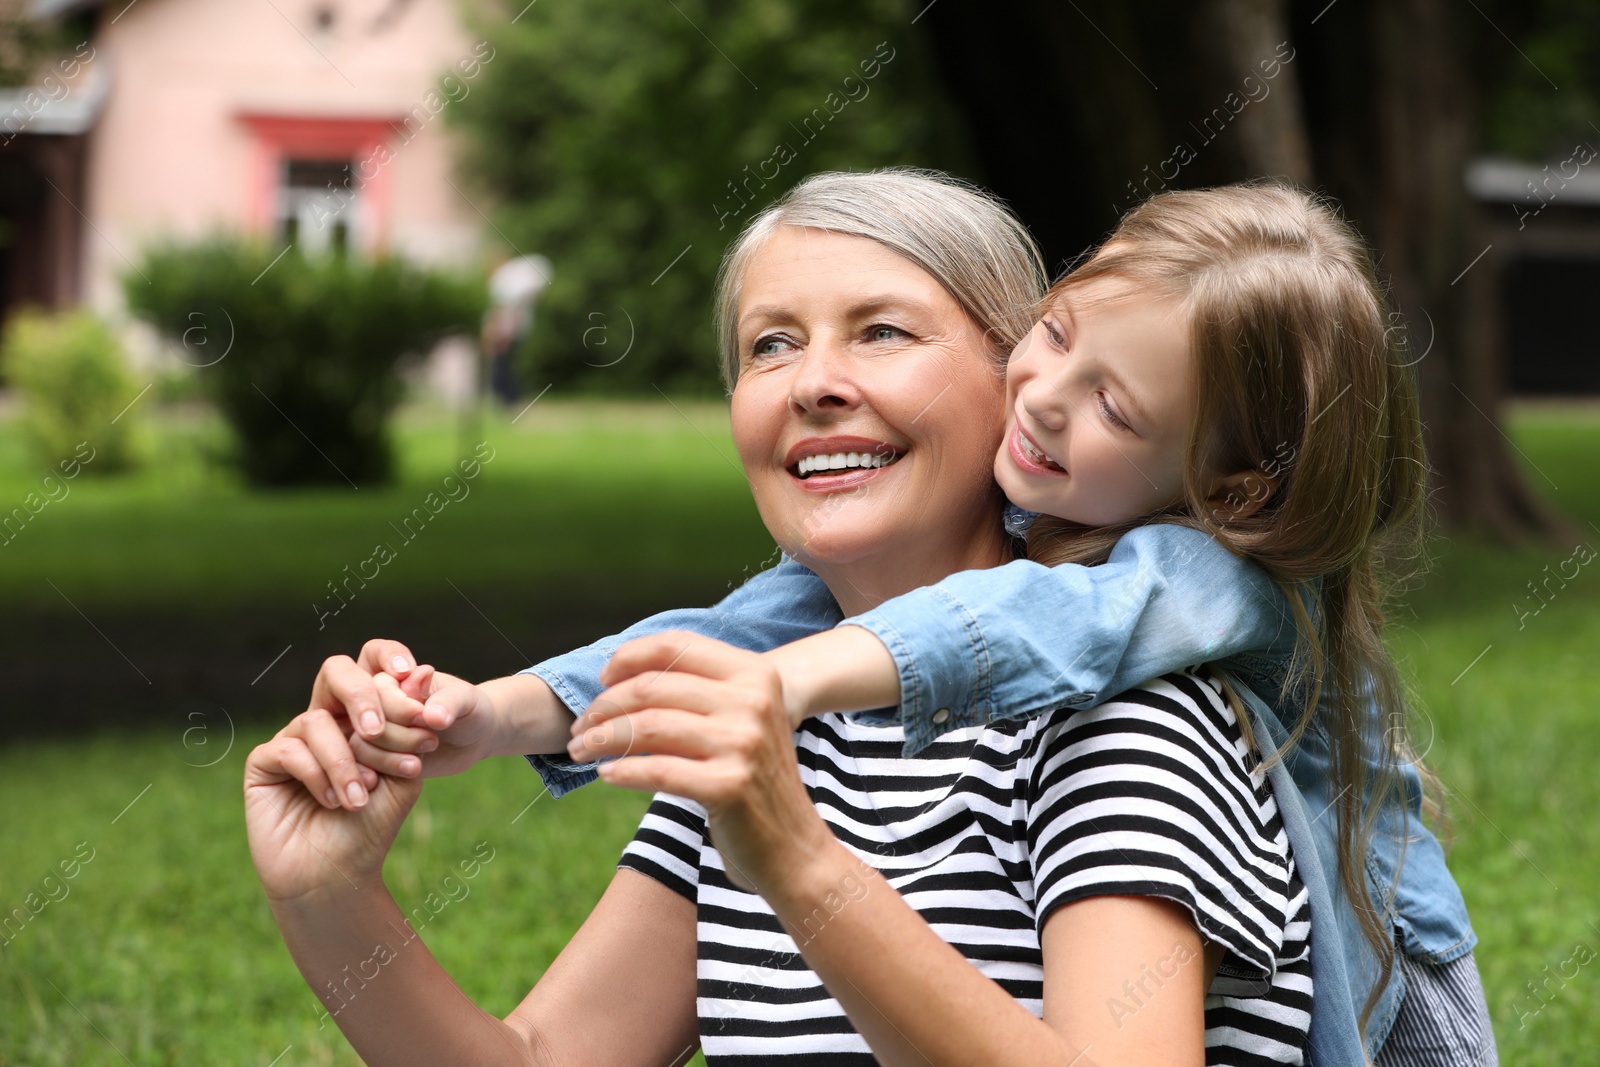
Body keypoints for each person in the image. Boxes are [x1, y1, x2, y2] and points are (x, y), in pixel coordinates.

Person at [251, 171, 1488, 1063]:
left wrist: (794, 856)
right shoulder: (758, 710)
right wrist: (330, 894)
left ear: (995, 361)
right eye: (768, 345)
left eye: (882, 331)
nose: (814, 381)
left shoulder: (1122, 708)